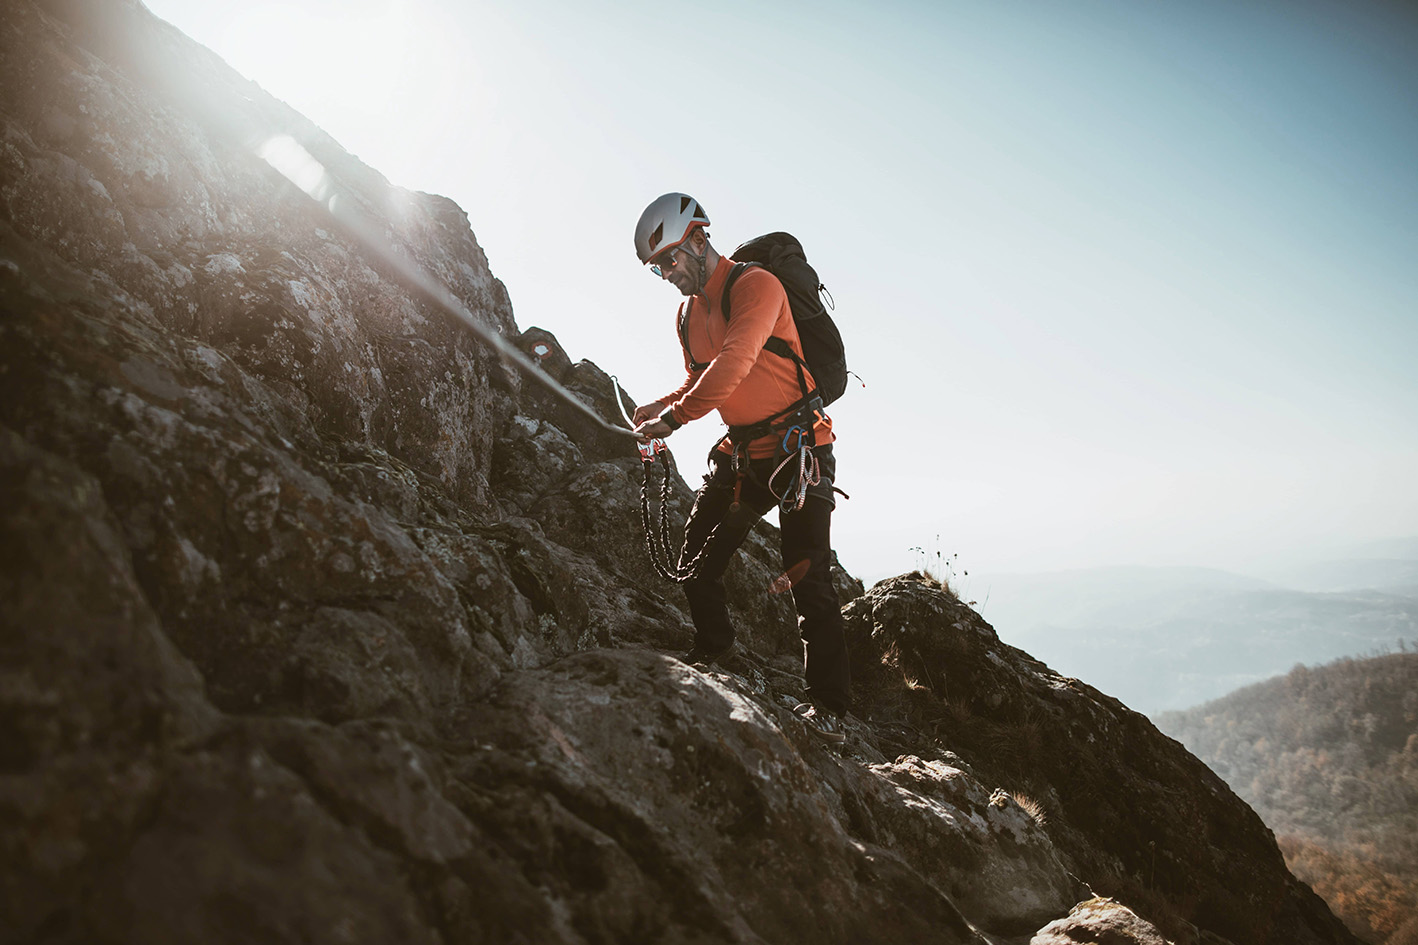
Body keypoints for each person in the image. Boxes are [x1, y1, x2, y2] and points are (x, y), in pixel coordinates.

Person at [630, 193, 850, 743]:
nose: (666, 275)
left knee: (809, 579)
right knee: (697, 555)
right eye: (657, 268)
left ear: (699, 239)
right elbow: (699, 377)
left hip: (800, 451)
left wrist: (676, 420)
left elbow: (736, 362)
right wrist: (659, 406)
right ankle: (716, 650)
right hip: (745, 454)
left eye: (670, 260)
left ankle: (832, 711)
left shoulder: (755, 286)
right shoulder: (688, 315)